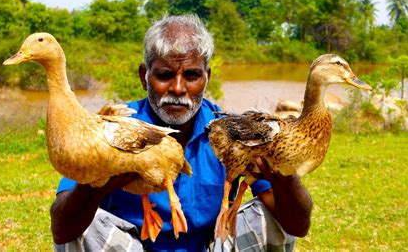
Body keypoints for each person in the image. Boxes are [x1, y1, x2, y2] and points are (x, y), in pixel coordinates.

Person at [50, 14, 312, 251]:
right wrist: (97, 182)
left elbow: (297, 226)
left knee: (274, 220)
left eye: (191, 75)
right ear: (144, 76)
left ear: (206, 78)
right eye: (164, 75)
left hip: (211, 248)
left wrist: (283, 174)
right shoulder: (112, 128)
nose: (177, 88)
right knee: (83, 226)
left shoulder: (232, 133)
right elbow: (62, 230)